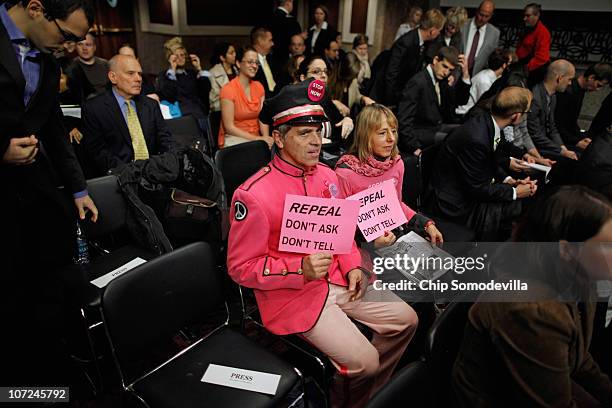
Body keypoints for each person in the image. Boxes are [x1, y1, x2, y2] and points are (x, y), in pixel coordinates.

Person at [227, 79, 418, 408]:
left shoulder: (328, 177)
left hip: (340, 279)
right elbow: (240, 268)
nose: (316, 141)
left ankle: (370, 393)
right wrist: (298, 268)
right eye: (304, 133)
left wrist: (354, 266)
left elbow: (341, 234)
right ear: (278, 137)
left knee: (407, 320)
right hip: (292, 295)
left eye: (318, 130)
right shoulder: (253, 194)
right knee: (365, 362)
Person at [0, 0, 98, 389]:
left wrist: (77, 188)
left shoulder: (47, 56)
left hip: (36, 192)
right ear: (37, 9)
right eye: (67, 36)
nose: (72, 47)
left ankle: (48, 382)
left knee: (48, 288)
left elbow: (54, 129)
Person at [452, 185, 612, 407]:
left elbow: (579, 356)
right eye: (607, 246)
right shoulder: (531, 310)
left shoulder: (584, 279)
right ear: (567, 250)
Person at [426, 87, 538, 241]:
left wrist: (510, 181)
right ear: (516, 116)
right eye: (527, 113)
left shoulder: (490, 122)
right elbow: (476, 188)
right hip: (452, 203)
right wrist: (514, 192)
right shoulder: (477, 137)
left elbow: (490, 161)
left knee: (514, 206)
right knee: (511, 208)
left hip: (468, 187)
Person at [335, 104, 443, 248]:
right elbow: (341, 228)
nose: (391, 138)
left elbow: (396, 205)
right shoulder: (345, 173)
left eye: (393, 131)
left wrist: (425, 224)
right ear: (364, 135)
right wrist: (371, 244)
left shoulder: (397, 164)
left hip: (395, 236)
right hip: (360, 247)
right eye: (382, 133)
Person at [81, 55, 176, 176]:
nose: (138, 79)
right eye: (131, 73)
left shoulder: (151, 105)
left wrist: (165, 166)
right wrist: (132, 173)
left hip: (154, 174)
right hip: (118, 178)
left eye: (140, 74)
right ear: (113, 77)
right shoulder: (94, 108)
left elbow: (166, 140)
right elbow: (97, 152)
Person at [397, 46, 471, 156]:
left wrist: (465, 73)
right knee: (456, 141)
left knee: (465, 131)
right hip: (420, 132)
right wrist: (414, 147)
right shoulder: (418, 82)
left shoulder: (442, 80)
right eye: (444, 66)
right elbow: (404, 120)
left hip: (436, 127)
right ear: (436, 60)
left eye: (450, 70)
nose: (446, 72)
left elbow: (461, 101)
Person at [385, 8, 446, 107]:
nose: (439, 34)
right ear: (432, 31)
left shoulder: (424, 43)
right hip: (394, 98)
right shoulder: (405, 42)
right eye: (438, 31)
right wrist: (391, 102)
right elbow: (391, 73)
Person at [218, 47, 271, 148]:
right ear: (238, 63)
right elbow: (229, 127)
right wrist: (257, 139)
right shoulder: (228, 89)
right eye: (250, 62)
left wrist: (265, 137)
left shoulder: (259, 86)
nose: (254, 66)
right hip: (235, 137)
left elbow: (262, 118)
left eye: (256, 63)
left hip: (257, 138)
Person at [293, 55, 354, 140]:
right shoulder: (294, 101)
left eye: (325, 72)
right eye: (316, 71)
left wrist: (346, 120)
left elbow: (338, 123)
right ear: (303, 78)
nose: (324, 75)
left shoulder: (324, 98)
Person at [528, 59, 578, 161]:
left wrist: (563, 148)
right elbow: (535, 134)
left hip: (544, 143)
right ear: (559, 78)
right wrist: (561, 151)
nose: (570, 83)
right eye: (569, 79)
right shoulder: (535, 97)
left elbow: (552, 127)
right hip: (533, 147)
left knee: (576, 155)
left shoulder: (553, 96)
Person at [555, 62, 611, 151]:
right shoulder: (568, 91)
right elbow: (557, 124)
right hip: (559, 139)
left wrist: (581, 138)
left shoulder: (579, 90)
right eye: (598, 85)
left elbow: (571, 122)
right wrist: (576, 141)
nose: (597, 89)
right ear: (591, 77)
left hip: (566, 136)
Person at [156, 36, 211, 120]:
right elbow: (168, 95)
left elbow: (205, 91)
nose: (180, 58)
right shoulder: (165, 76)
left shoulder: (191, 73)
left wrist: (199, 68)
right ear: (170, 58)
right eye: (176, 56)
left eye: (182, 55)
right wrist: (172, 70)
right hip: (180, 117)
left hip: (197, 114)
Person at [456, 48, 510, 115]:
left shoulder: (488, 74)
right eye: (509, 63)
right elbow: (485, 105)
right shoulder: (485, 81)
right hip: (464, 113)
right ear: (504, 65)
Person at [65, 32, 109, 104]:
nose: (84, 48)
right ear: (75, 47)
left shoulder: (106, 64)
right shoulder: (71, 68)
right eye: (80, 44)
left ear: (94, 47)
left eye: (88, 45)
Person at [459, 0, 499, 77]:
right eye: (481, 14)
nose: (482, 19)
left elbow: (492, 57)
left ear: (491, 15)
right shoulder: (463, 24)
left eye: (486, 16)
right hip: (457, 71)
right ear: (477, 11)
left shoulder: (495, 33)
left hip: (477, 75)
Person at [516, 3, 551, 87]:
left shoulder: (543, 32)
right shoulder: (527, 28)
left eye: (528, 16)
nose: (524, 19)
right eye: (524, 15)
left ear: (537, 16)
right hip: (524, 64)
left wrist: (524, 69)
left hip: (535, 70)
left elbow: (542, 58)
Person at [270, 0, 303, 69]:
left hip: (272, 55)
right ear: (288, 2)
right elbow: (296, 37)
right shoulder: (290, 21)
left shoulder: (271, 17)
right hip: (286, 56)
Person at [251, 26, 278, 98]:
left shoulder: (272, 58)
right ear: (260, 41)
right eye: (270, 40)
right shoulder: (249, 61)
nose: (272, 44)